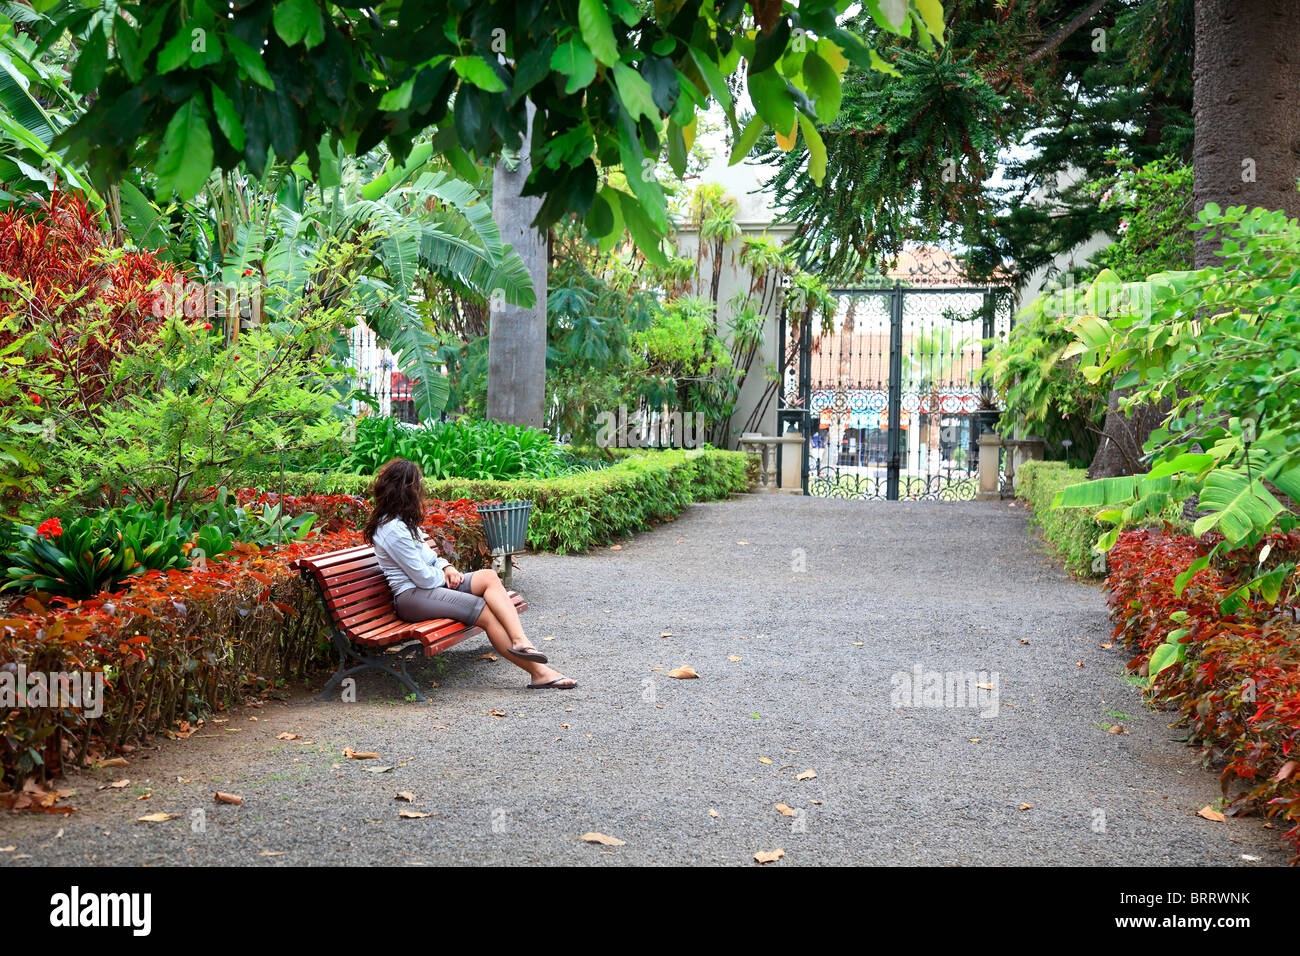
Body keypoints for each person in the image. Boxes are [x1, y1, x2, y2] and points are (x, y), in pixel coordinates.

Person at [364, 457, 577, 690]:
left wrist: (448, 568)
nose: (422, 490)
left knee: (488, 576)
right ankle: (539, 673)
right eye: (419, 484)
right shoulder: (393, 530)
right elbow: (422, 578)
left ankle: (520, 640)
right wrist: (446, 578)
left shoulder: (403, 523)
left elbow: (432, 558)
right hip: (413, 597)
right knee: (485, 611)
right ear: (407, 490)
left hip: (428, 588)